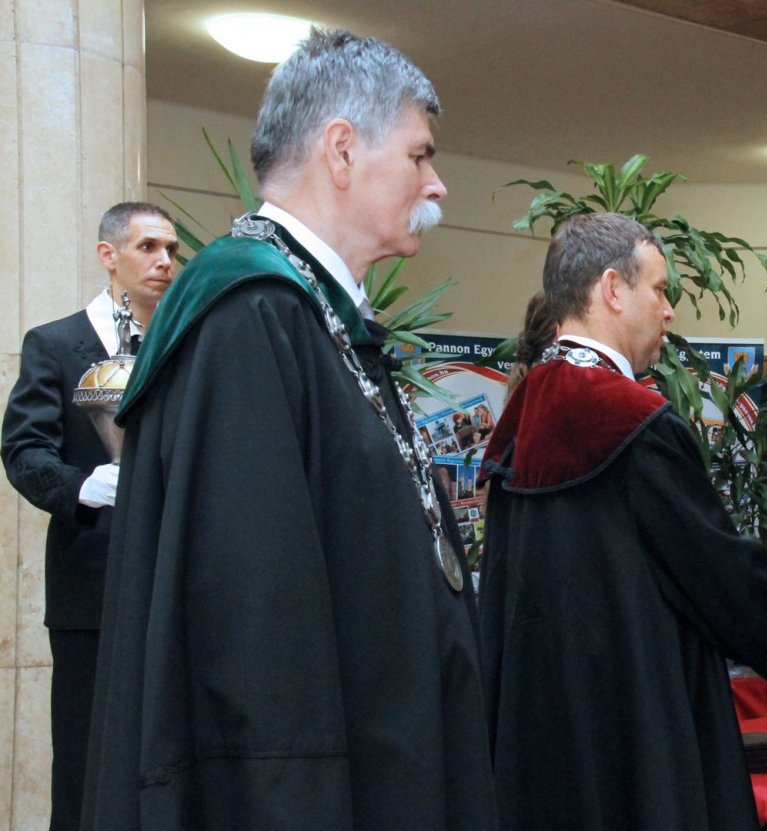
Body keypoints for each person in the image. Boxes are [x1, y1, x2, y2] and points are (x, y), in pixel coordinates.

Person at [81, 29, 498, 829]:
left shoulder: (314, 316)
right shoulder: (250, 316)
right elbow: (251, 634)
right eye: (419, 155)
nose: (437, 183)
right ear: (342, 151)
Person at [478, 212, 767, 831]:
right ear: (612, 289)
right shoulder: (633, 421)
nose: (670, 310)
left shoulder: (520, 417)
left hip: (540, 740)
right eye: (659, 289)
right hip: (635, 733)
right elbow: (726, 580)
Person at [1, 202, 177, 831]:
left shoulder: (183, 343)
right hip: (90, 585)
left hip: (174, 582)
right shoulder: (54, 344)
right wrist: (84, 487)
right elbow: (24, 450)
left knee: (168, 759)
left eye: (171, 249)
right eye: (148, 247)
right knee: (84, 761)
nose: (164, 261)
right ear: (109, 255)